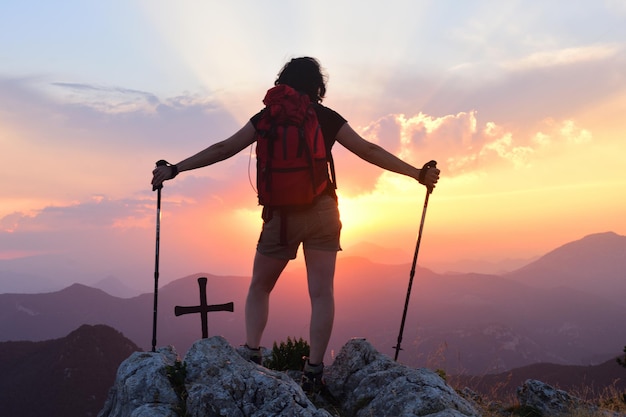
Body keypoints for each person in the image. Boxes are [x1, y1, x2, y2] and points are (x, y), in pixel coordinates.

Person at [151, 57, 439, 393]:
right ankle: (314, 370)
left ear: (283, 82)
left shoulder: (267, 116)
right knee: (321, 293)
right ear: (318, 86)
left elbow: (224, 148)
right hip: (322, 212)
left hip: (280, 217)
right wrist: (416, 174)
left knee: (260, 286)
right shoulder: (324, 117)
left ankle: (253, 352)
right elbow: (368, 150)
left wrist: (176, 169)